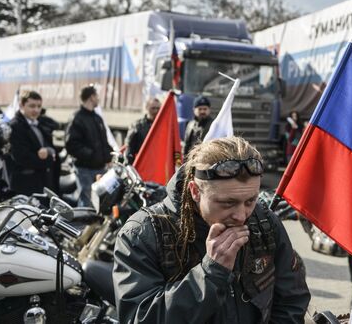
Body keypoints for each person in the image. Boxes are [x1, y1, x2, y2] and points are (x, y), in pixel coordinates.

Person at [113, 136, 311, 323]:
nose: (241, 215)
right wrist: (211, 273)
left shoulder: (264, 220)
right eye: (227, 203)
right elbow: (139, 318)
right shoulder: (142, 233)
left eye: (250, 201)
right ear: (195, 191)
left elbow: (292, 300)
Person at [65, 85, 112, 207]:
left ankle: (96, 226)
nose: (98, 99)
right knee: (87, 202)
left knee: (100, 202)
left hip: (100, 168)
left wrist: (109, 157)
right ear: (91, 97)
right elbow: (71, 145)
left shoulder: (97, 118)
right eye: (97, 96)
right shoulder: (77, 118)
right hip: (84, 170)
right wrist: (91, 155)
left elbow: (104, 142)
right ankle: (82, 226)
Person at [8, 91, 58, 195]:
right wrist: (49, 159)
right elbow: (22, 157)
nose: (36, 110)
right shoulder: (15, 126)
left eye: (39, 106)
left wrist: (49, 151)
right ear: (22, 105)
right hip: (26, 186)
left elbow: (48, 145)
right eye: (32, 106)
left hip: (41, 182)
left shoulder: (38, 122)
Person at [124, 98, 161, 164]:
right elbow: (129, 147)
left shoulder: (164, 126)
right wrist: (129, 164)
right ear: (147, 108)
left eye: (158, 108)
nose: (156, 110)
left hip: (158, 164)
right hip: (142, 165)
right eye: (153, 108)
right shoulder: (137, 126)